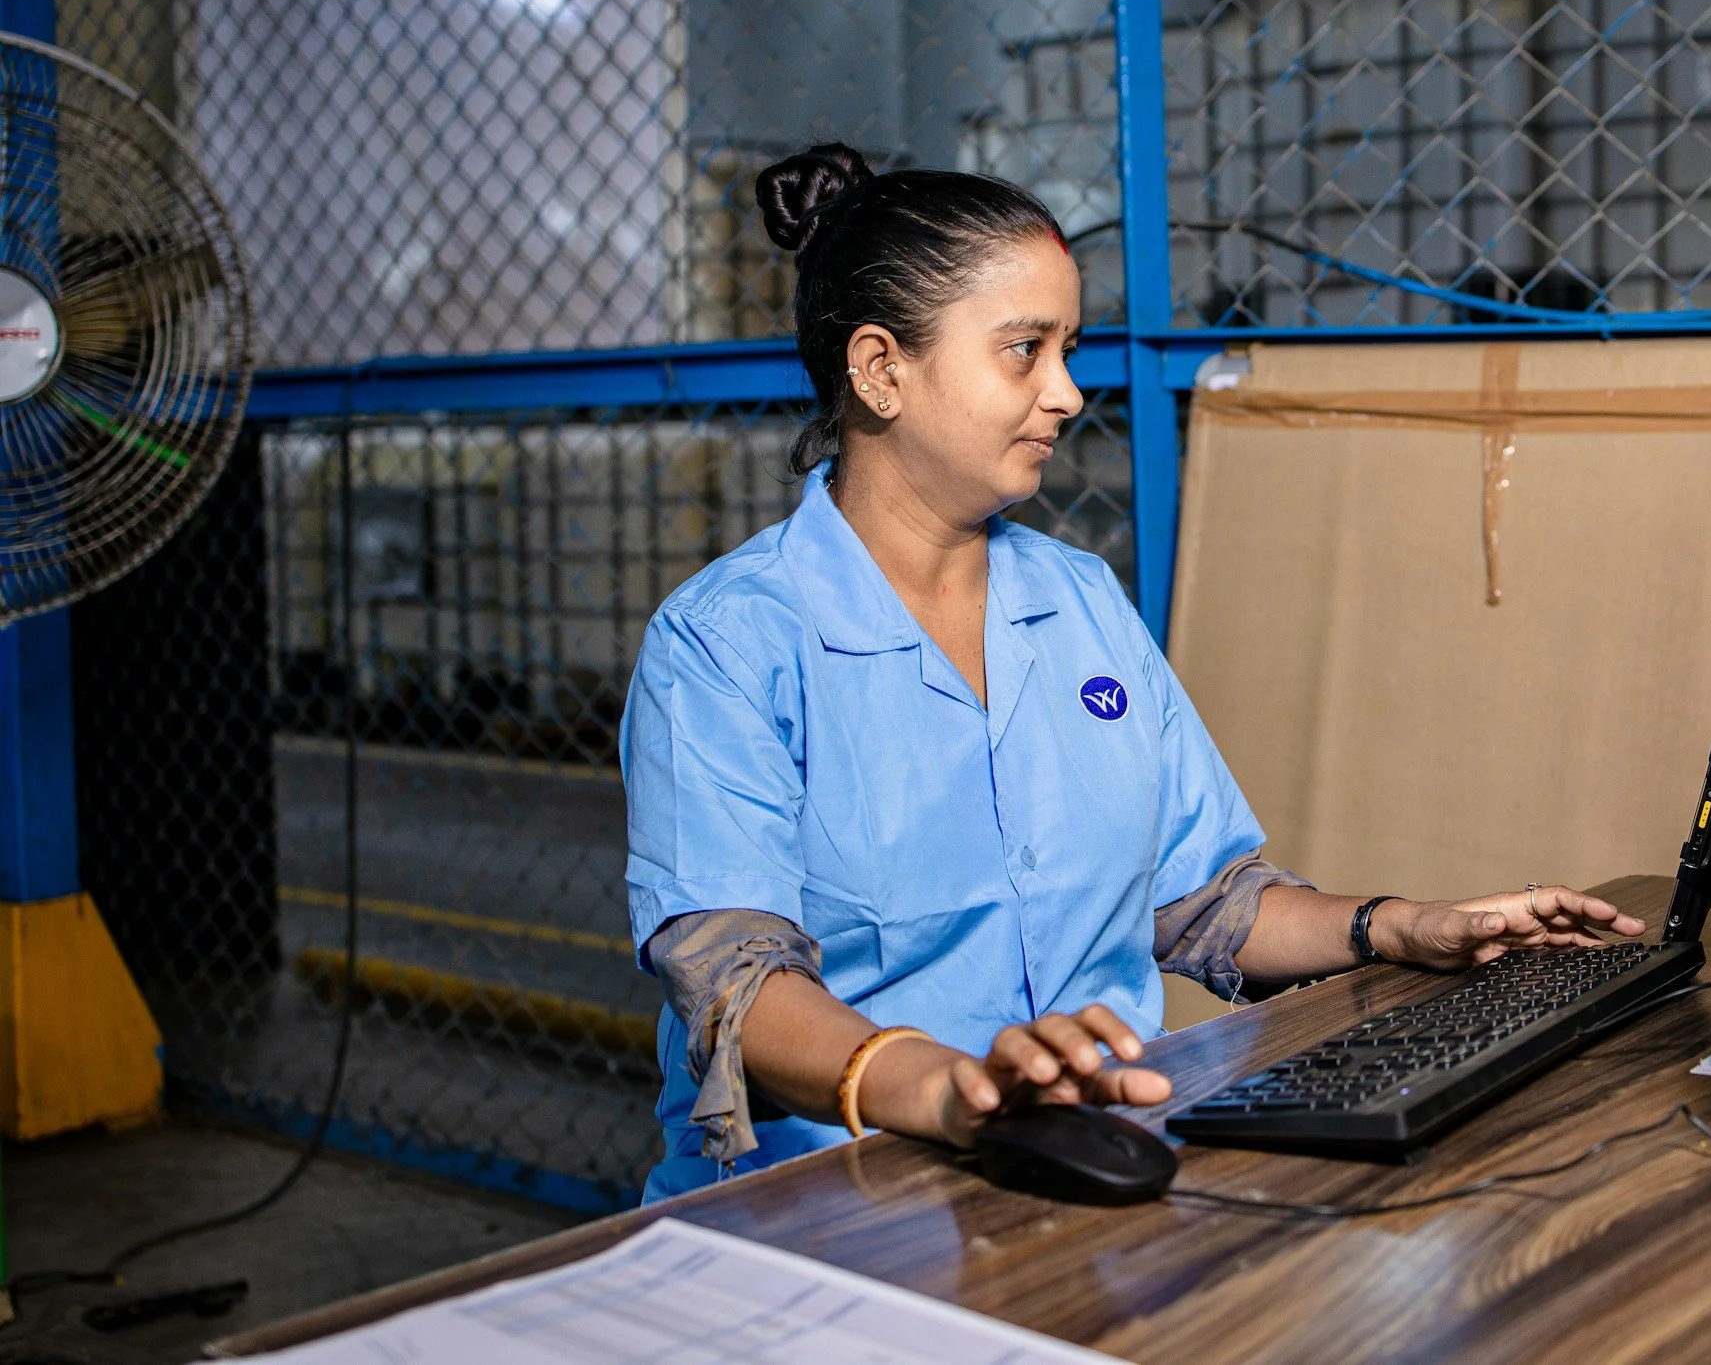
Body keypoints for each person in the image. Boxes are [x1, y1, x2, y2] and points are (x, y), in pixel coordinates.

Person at [622, 144, 1645, 1201]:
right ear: (881, 368)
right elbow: (736, 978)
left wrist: (1399, 924)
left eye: (1069, 348)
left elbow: (1201, 899)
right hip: (830, 1204)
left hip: (1092, 1163)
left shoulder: (1078, 603)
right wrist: (948, 1091)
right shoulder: (726, 644)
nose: (1066, 392)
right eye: (1024, 351)